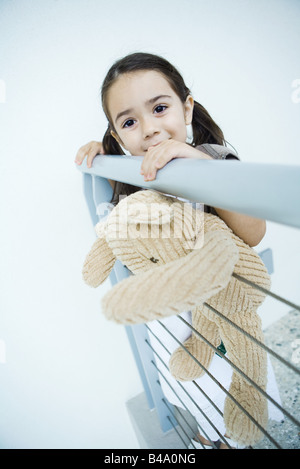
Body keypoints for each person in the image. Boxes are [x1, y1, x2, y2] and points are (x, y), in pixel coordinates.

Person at [75, 52, 283, 449]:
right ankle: (209, 434)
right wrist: (101, 160)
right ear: (119, 137)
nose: (150, 130)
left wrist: (201, 165)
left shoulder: (218, 159)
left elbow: (254, 234)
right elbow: (118, 226)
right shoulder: (134, 172)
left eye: (160, 108)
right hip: (176, 319)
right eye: (130, 122)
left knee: (239, 381)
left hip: (225, 309)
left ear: (186, 108)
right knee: (195, 386)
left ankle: (239, 437)